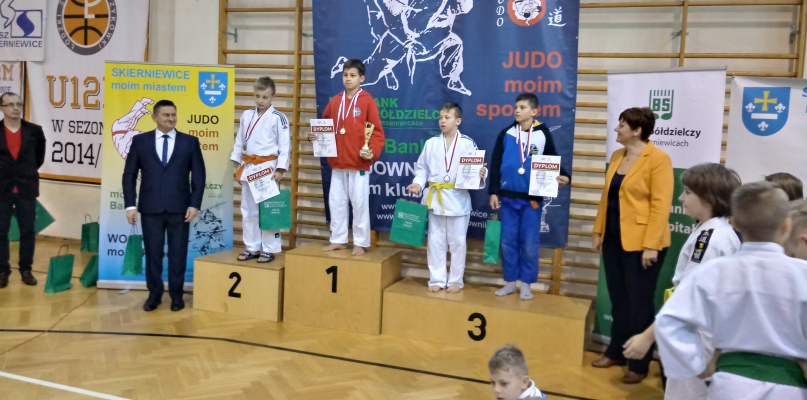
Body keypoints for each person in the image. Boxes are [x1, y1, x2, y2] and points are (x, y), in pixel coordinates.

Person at [656, 182, 807, 400]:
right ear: (785, 226)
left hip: (731, 384)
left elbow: (668, 321)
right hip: (788, 387)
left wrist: (695, 366)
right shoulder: (802, 273)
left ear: (734, 223)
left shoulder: (714, 270)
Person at [621, 163, 742, 398]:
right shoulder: (714, 232)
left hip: (699, 338)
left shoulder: (710, 239)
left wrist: (647, 337)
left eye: (687, 192)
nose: (680, 198)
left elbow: (689, 296)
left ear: (709, 198)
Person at [590, 107, 674, 383]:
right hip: (614, 240)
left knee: (639, 302)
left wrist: (651, 245)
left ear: (637, 131)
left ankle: (638, 365)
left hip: (643, 245)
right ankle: (616, 352)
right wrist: (598, 231)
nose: (617, 129)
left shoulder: (659, 159)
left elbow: (661, 206)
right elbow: (607, 199)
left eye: (622, 125)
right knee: (619, 300)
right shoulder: (617, 156)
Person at [123, 100, 206, 312]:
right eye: (166, 115)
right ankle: (154, 294)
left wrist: (194, 204)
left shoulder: (190, 142)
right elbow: (129, 174)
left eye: (173, 115)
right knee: (153, 253)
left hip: (180, 208)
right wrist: (130, 205)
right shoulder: (140, 141)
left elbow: (199, 175)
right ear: (155, 117)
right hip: (150, 208)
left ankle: (177, 296)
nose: (171, 118)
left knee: (178, 254)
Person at [489, 93, 570, 301]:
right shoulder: (506, 133)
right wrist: (494, 192)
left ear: (534, 111)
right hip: (508, 198)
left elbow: (551, 158)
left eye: (522, 107)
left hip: (532, 199)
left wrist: (565, 176)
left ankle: (526, 284)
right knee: (507, 241)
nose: (517, 110)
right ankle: (510, 282)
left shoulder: (543, 134)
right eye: (516, 107)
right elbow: (496, 162)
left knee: (529, 243)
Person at [407, 103, 487, 293]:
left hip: (458, 200)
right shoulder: (431, 143)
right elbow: (422, 168)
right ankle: (437, 279)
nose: (442, 121)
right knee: (435, 242)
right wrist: (418, 183)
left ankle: (455, 281)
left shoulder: (467, 143)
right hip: (436, 198)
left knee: (458, 244)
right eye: (440, 117)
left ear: (458, 121)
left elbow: (475, 170)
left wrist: (481, 174)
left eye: (447, 117)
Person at [308, 59, 384, 256]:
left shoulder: (367, 101)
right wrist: (315, 137)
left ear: (361, 78)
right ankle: (338, 239)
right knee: (336, 202)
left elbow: (376, 132)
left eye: (352, 75)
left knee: (359, 203)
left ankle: (360, 242)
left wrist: (372, 151)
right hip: (338, 163)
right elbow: (324, 127)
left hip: (359, 163)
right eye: (345, 75)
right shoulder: (335, 101)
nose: (348, 79)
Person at [230, 76, 290, 263]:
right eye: (257, 96)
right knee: (248, 210)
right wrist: (237, 163)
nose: (260, 100)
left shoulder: (279, 117)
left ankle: (269, 249)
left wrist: (281, 169)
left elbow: (285, 146)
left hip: (267, 169)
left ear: (273, 96)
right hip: (248, 166)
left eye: (265, 97)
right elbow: (239, 141)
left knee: (268, 210)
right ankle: (252, 247)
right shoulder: (246, 115)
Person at [0, 92, 45, 288]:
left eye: (18, 104)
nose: (15, 108)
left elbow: (39, 158)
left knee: (27, 231)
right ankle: (2, 270)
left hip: (26, 188)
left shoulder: (34, 131)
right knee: (1, 231)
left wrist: (24, 173)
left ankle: (26, 269)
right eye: (10, 104)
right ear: (2, 108)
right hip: (2, 188)